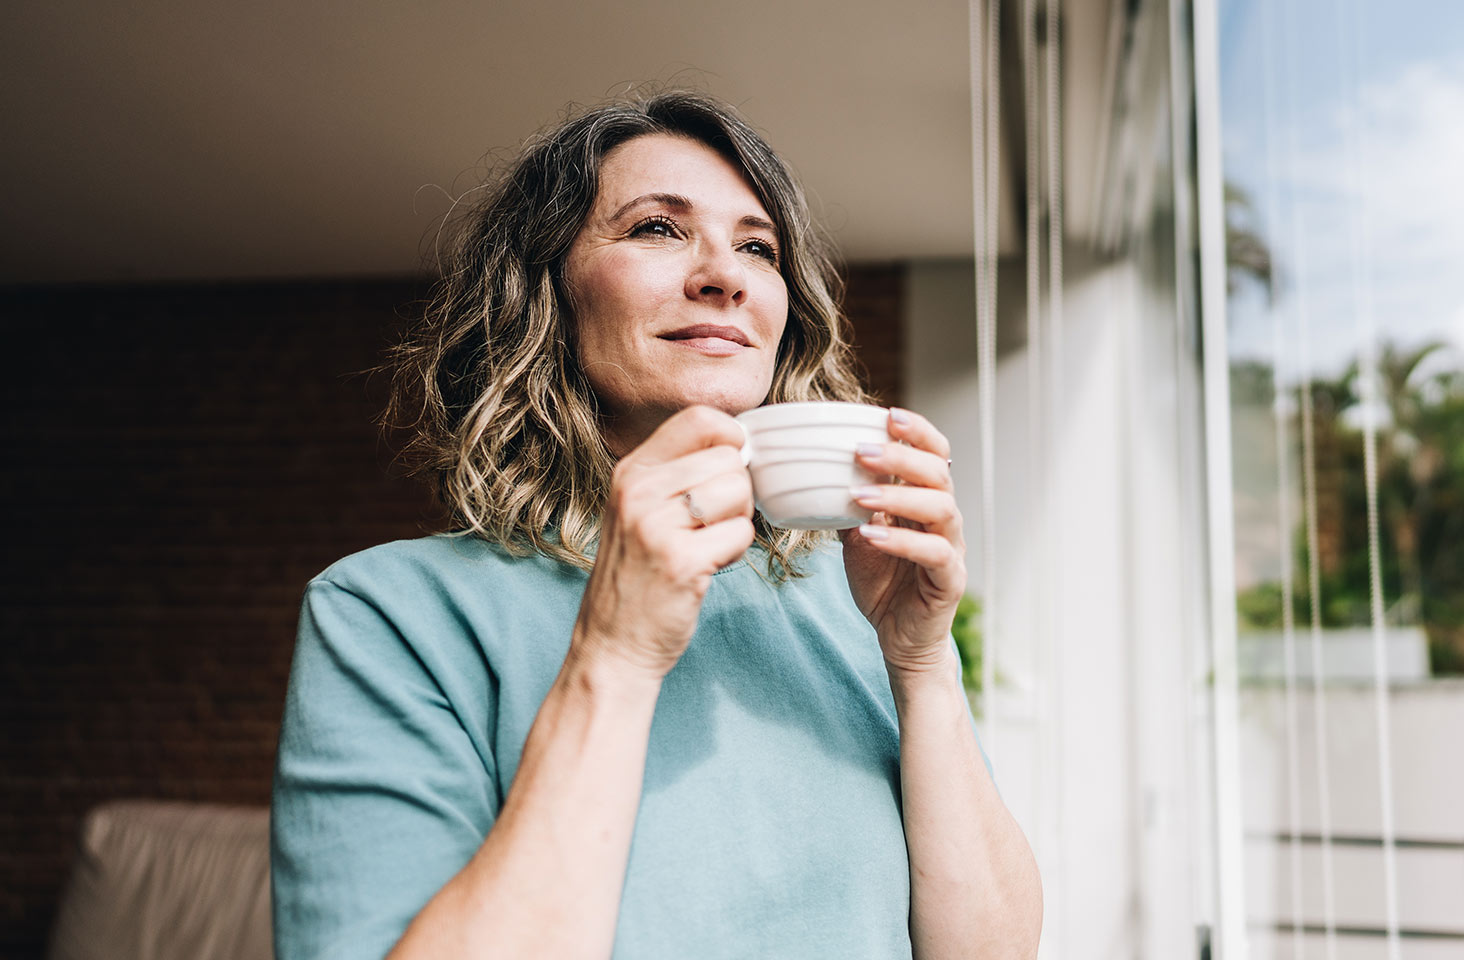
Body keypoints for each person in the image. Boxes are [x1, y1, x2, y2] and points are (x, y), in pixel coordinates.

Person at [270, 90, 1042, 959]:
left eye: (759, 247)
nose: (726, 274)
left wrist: (923, 661)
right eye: (656, 229)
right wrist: (616, 652)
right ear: (545, 291)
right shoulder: (390, 613)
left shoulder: (862, 609)